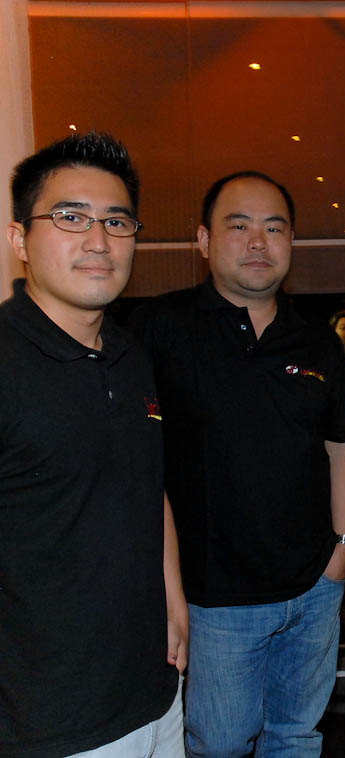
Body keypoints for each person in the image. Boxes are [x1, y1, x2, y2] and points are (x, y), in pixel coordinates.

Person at [131, 171, 345, 756]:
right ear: (204, 239)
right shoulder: (160, 328)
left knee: (297, 738)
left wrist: (340, 554)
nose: (259, 241)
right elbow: (131, 458)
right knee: (221, 745)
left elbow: (341, 446)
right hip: (215, 604)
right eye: (239, 225)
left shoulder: (314, 340)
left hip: (313, 592)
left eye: (274, 228)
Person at [0, 132, 186, 756]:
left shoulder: (130, 355)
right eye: (71, 217)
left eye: (117, 221)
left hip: (156, 694)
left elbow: (148, 486)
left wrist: (174, 596)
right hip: (51, 724)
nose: (99, 240)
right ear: (20, 239)